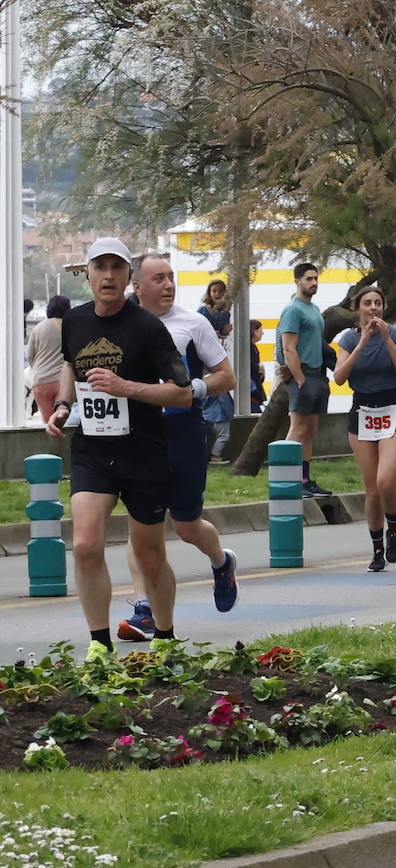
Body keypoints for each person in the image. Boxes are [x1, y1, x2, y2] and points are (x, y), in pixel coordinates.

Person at [44, 239, 192, 656]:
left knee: (148, 553)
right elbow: (71, 364)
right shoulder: (73, 322)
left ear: (129, 278)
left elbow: (181, 394)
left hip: (143, 450)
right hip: (92, 449)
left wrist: (126, 387)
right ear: (87, 274)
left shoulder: (146, 327)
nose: (108, 276)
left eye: (116, 268)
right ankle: (99, 645)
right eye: (100, 267)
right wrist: (63, 405)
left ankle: (164, 637)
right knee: (87, 544)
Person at [116, 253, 240, 641]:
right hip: (139, 436)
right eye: (158, 278)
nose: (168, 285)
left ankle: (221, 562)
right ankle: (144, 609)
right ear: (138, 286)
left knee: (186, 526)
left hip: (184, 432)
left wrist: (193, 390)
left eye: (171, 277)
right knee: (140, 527)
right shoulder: (122, 326)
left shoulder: (192, 323)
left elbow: (228, 376)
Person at [334, 285, 396, 572]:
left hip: (392, 408)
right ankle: (377, 549)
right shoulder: (348, 338)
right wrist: (361, 344)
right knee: (371, 489)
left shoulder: (395, 333)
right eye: (368, 303)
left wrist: (385, 339)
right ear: (359, 309)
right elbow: (340, 378)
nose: (373, 308)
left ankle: (394, 529)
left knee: (385, 481)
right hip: (362, 411)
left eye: (378, 303)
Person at [276, 263, 333, 497]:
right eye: (309, 279)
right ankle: (288, 480)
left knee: (310, 428)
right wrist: (299, 379)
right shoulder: (293, 310)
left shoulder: (314, 309)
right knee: (297, 428)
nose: (314, 283)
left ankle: (305, 478)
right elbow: (289, 348)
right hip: (303, 374)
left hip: (318, 374)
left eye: (316, 278)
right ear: (297, 281)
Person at [27, 295, 70, 423]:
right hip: (63, 382)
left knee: (48, 423)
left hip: (40, 382)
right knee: (62, 422)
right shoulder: (70, 327)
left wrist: (38, 369)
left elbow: (30, 355)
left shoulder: (38, 328)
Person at [249, 320, 267, 413]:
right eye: (260, 330)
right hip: (251, 393)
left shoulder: (253, 347)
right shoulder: (249, 348)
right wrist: (258, 368)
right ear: (254, 331)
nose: (262, 333)